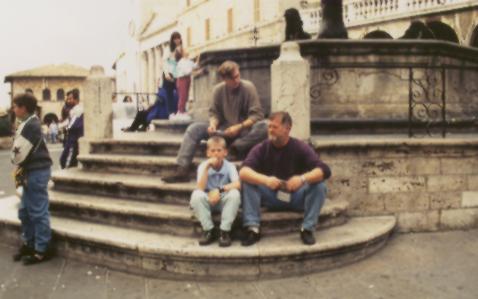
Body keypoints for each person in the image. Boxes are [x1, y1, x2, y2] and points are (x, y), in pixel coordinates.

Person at [162, 60, 268, 183]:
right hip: (222, 132)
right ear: (224, 79)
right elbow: (214, 113)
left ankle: (235, 149)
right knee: (193, 129)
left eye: (238, 76)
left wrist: (239, 127)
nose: (237, 80)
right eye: (233, 78)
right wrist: (213, 124)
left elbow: (257, 116)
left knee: (265, 126)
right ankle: (182, 169)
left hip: (243, 133)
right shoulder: (218, 90)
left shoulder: (248, 87)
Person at [239, 111, 331, 246]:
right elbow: (243, 172)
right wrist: (266, 180)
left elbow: (324, 170)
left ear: (287, 128)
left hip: (296, 197)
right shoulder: (261, 148)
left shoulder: (300, 147)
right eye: (269, 127)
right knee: (248, 181)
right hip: (270, 196)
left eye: (274, 127)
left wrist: (302, 179)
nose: (270, 130)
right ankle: (253, 228)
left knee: (320, 185)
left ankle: (307, 228)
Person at [10, 93, 53, 265]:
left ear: (24, 108)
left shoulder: (31, 125)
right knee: (25, 212)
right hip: (31, 171)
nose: (14, 109)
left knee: (38, 212)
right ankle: (30, 243)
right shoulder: (27, 123)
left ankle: (42, 249)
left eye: (16, 106)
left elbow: (17, 155)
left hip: (37, 172)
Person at [190, 136, 241, 247]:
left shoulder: (230, 166)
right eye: (212, 151)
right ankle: (208, 230)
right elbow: (200, 188)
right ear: (208, 153)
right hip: (208, 200)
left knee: (235, 194)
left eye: (219, 150)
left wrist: (219, 190)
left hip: (223, 200)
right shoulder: (203, 166)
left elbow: (237, 184)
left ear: (225, 152)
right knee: (196, 195)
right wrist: (207, 168)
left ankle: (224, 232)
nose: (216, 154)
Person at [172, 46, 201, 121]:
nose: (187, 51)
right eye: (185, 50)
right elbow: (187, 71)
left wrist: (198, 57)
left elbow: (195, 66)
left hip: (187, 79)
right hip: (182, 79)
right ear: (182, 53)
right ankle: (180, 112)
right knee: (183, 95)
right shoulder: (181, 62)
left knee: (186, 95)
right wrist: (197, 72)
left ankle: (183, 111)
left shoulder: (189, 61)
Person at [59, 89, 83, 169]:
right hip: (70, 138)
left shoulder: (79, 110)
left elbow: (72, 124)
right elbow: (68, 121)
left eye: (70, 99)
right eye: (68, 98)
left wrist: (64, 128)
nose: (68, 100)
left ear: (76, 100)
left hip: (74, 140)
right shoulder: (73, 110)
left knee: (66, 161)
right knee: (66, 160)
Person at [163, 31, 183, 117]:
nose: (177, 40)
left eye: (178, 38)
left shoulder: (182, 49)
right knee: (169, 94)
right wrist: (166, 73)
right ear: (172, 40)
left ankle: (179, 111)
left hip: (178, 73)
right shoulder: (168, 49)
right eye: (175, 38)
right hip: (169, 72)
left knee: (180, 93)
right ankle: (171, 112)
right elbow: (164, 61)